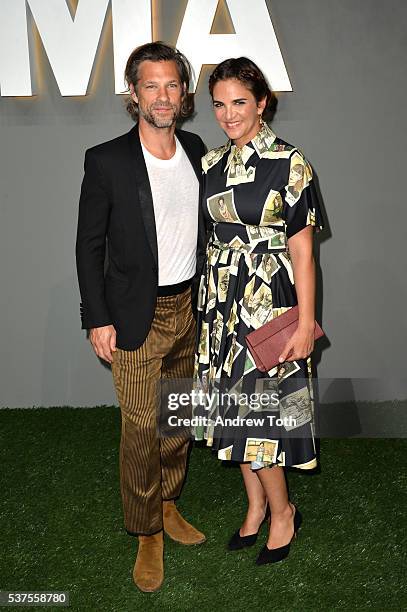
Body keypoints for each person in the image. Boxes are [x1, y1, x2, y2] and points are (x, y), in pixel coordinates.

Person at [75, 41, 206, 593]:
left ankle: (170, 501)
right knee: (139, 427)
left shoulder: (198, 149)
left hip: (189, 309)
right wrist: (96, 317)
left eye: (171, 84)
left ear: (184, 92)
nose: (162, 95)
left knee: (176, 421)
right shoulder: (106, 159)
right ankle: (145, 529)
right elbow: (89, 245)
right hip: (133, 316)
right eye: (150, 85)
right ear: (134, 94)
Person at [194, 57, 324, 565]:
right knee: (232, 409)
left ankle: (284, 510)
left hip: (269, 304)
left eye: (239, 103)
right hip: (220, 305)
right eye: (220, 104)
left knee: (261, 414)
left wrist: (306, 323)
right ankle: (254, 508)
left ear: (262, 103)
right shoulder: (209, 163)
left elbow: (303, 253)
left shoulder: (291, 164)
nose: (228, 115)